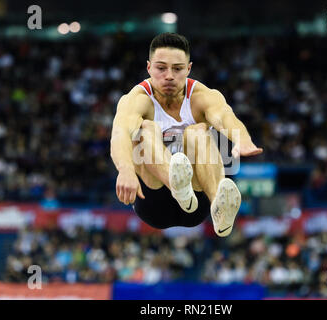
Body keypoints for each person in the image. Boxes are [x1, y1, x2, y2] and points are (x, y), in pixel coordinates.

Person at [110, 33, 262, 237]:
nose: (169, 76)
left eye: (178, 68)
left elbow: (225, 118)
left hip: (196, 199)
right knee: (146, 128)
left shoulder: (202, 96)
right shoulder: (137, 99)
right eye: (161, 68)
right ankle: (176, 185)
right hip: (154, 200)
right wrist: (125, 170)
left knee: (199, 131)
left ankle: (220, 207)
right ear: (149, 68)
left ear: (188, 69)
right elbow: (120, 134)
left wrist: (242, 139)